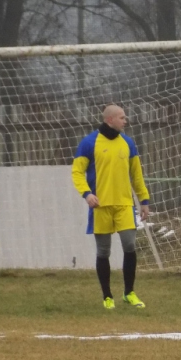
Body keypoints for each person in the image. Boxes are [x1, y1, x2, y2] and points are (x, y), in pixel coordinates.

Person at [72, 104, 150, 310]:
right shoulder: (89, 143)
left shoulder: (128, 143)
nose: (125, 121)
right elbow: (77, 172)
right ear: (110, 120)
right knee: (103, 252)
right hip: (101, 206)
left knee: (130, 246)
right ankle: (107, 296)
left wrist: (144, 200)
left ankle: (129, 293)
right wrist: (87, 194)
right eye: (122, 117)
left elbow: (137, 174)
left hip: (124, 204)